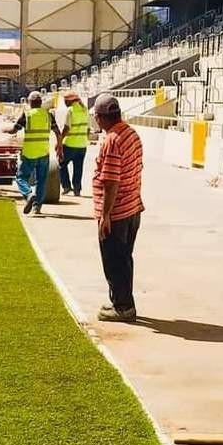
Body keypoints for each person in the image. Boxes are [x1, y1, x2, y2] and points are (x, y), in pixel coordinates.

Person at [92, 93, 144, 322]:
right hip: (132, 208)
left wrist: (105, 216)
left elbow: (111, 181)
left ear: (101, 118)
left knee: (114, 261)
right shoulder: (131, 133)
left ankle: (123, 307)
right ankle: (121, 300)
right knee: (124, 258)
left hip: (118, 212)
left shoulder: (112, 140)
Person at [4, 90, 62, 216]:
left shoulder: (27, 115)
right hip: (44, 152)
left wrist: (5, 130)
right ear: (40, 103)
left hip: (29, 153)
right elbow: (58, 132)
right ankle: (37, 207)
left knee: (20, 177)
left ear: (30, 103)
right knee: (41, 180)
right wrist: (59, 146)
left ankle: (29, 194)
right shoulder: (48, 115)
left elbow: (14, 130)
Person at [58, 90, 89, 196]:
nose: (64, 103)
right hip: (82, 145)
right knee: (78, 167)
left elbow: (67, 128)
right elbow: (88, 128)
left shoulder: (70, 110)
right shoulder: (85, 110)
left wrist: (60, 140)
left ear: (70, 100)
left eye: (65, 100)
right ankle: (77, 189)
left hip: (70, 144)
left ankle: (66, 186)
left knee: (61, 164)